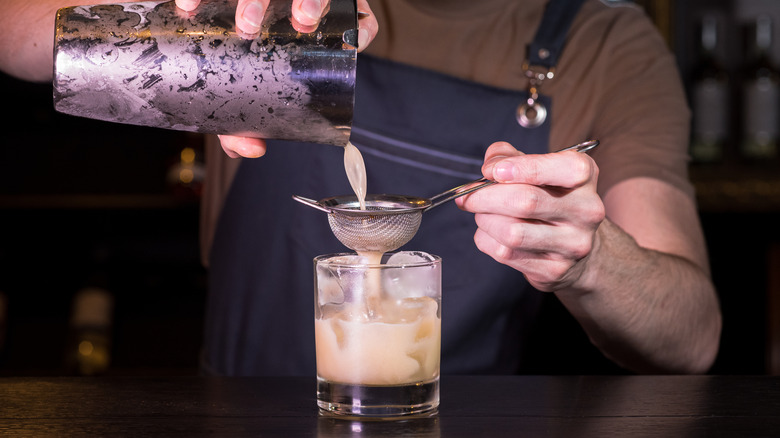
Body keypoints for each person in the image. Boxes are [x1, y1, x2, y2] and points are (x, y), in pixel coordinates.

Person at [1, 0, 721, 375]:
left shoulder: (608, 46)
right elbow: (18, 40)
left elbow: (690, 341)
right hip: (229, 413)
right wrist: (199, 15)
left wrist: (593, 261)